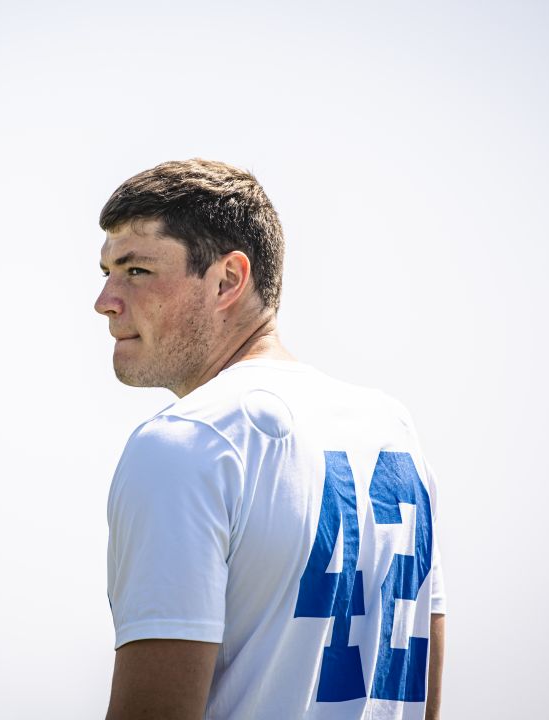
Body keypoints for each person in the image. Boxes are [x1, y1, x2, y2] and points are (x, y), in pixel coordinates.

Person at [94, 159, 447, 720]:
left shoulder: (187, 443)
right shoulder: (394, 434)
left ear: (229, 280)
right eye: (107, 271)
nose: (105, 300)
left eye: (135, 270)